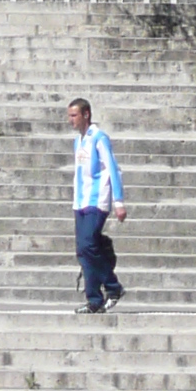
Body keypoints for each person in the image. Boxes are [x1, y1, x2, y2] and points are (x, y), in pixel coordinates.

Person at [68, 97, 126, 315]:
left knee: (90, 244)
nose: (71, 120)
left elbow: (113, 169)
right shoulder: (78, 141)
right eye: (69, 116)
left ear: (86, 115)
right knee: (83, 251)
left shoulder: (99, 138)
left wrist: (118, 202)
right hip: (80, 202)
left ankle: (113, 287)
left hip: (96, 200)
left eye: (74, 115)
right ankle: (94, 300)